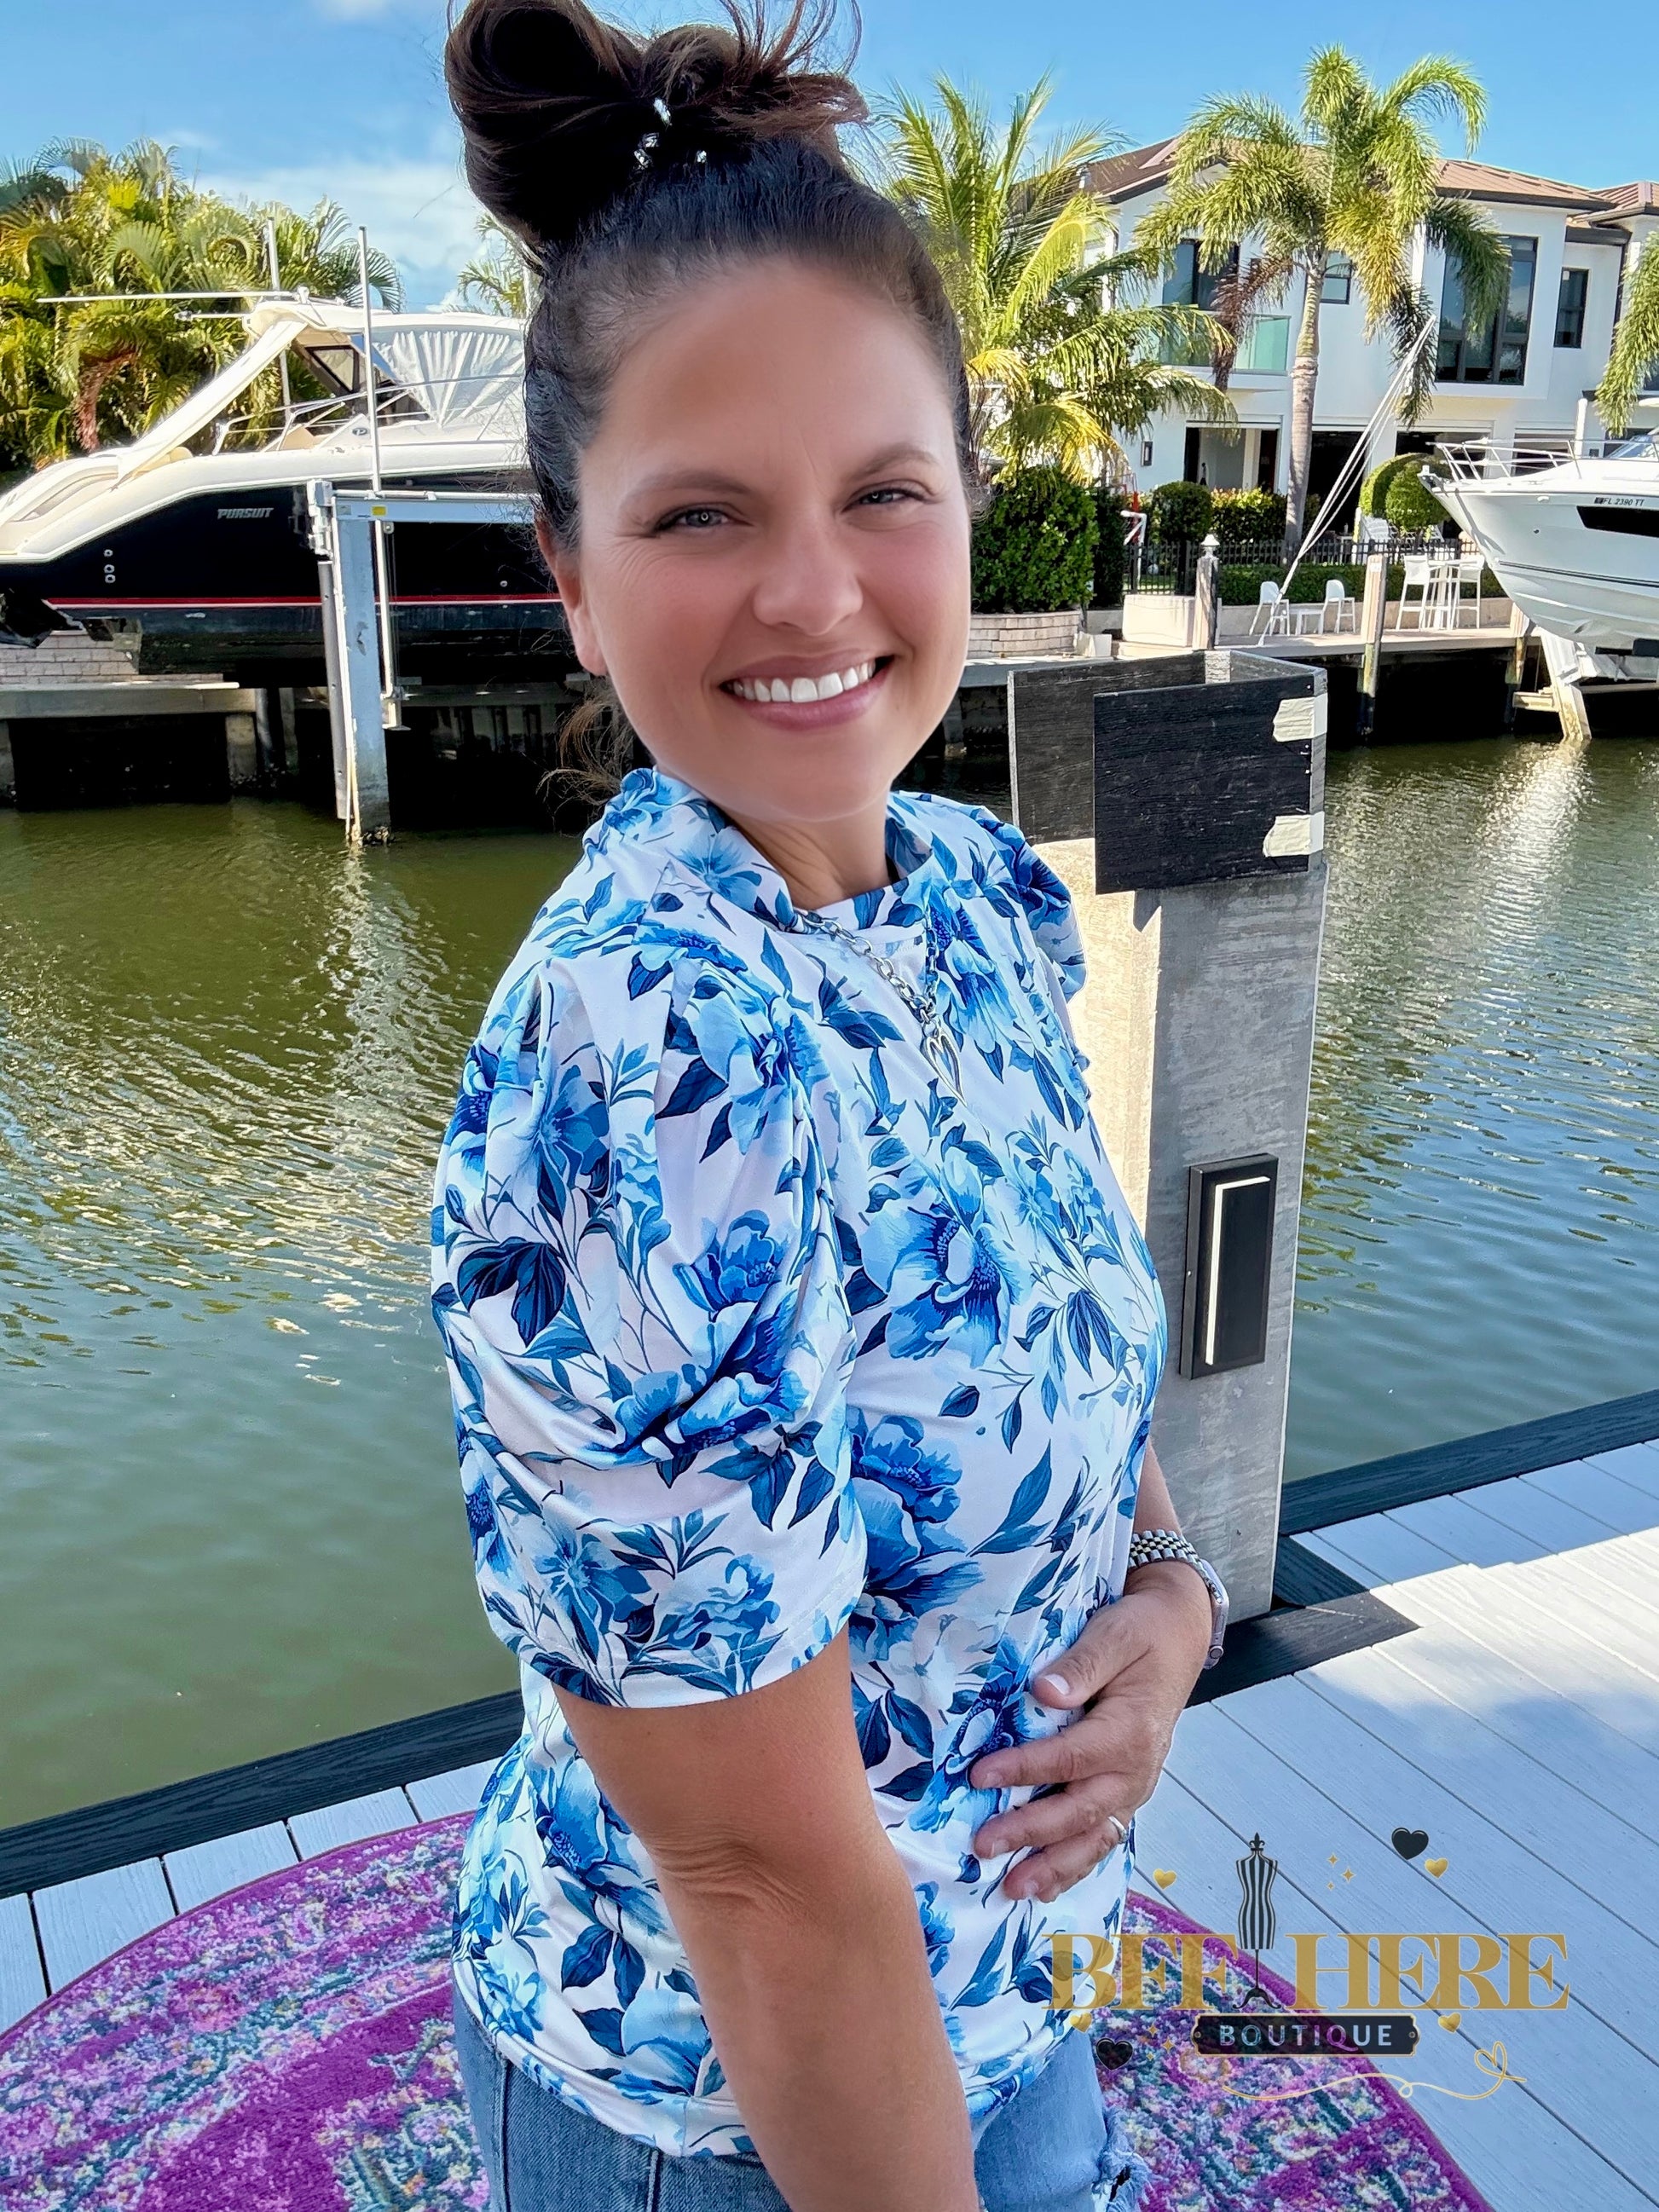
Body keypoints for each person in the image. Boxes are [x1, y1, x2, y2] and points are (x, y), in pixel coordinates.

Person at [429, 5, 1228, 2208]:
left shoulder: (966, 893)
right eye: (702, 513)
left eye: (883, 492)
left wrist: (1168, 1594)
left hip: (1006, 1986)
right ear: (571, 578)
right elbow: (765, 1881)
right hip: (748, 2109)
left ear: (966, 503)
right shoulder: (645, 1053)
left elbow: (1047, 1310)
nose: (811, 593)